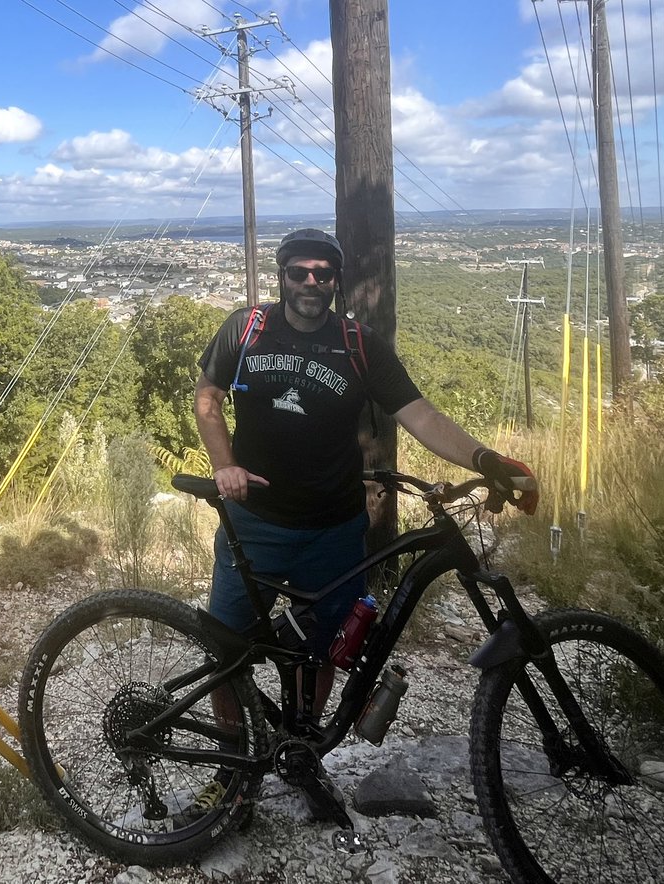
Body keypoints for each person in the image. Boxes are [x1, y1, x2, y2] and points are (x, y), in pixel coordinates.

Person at [192, 229, 536, 816]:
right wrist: (225, 466)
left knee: (325, 648)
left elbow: (419, 412)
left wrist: (485, 459)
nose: (310, 283)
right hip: (255, 524)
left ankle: (301, 750)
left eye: (323, 273)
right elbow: (207, 397)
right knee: (223, 650)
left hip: (334, 528)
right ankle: (232, 774)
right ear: (281, 275)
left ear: (335, 281)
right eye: (298, 272)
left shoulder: (358, 343)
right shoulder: (244, 329)